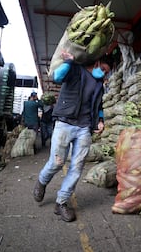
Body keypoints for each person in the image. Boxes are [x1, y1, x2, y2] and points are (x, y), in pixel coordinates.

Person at [33, 51, 109, 222]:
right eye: (104, 69)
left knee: (77, 166)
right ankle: (42, 181)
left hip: (84, 127)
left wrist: (101, 119)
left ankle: (61, 203)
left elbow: (99, 105)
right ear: (97, 63)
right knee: (56, 162)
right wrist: (68, 62)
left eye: (107, 72)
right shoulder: (75, 70)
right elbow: (57, 77)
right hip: (65, 123)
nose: (105, 73)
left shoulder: (98, 84)